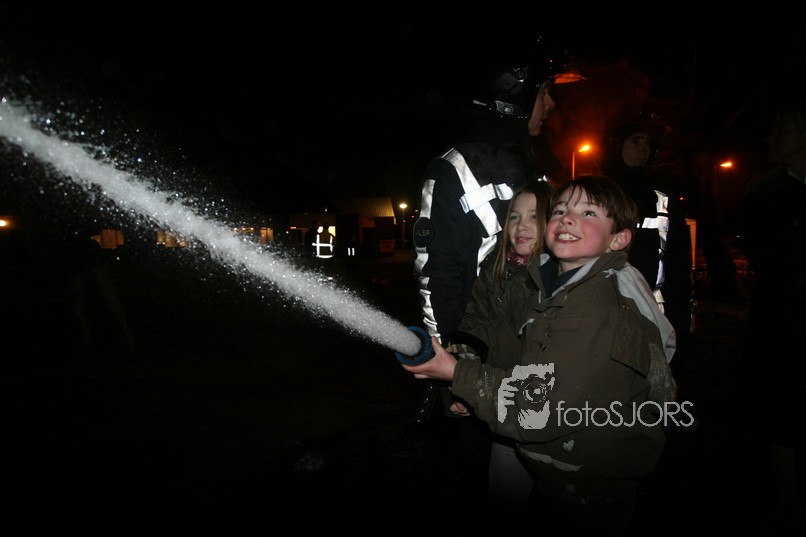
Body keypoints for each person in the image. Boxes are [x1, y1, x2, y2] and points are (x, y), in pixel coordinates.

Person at [403, 175, 677, 535]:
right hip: (548, 454)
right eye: (561, 211)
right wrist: (463, 368)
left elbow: (537, 409)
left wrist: (458, 375)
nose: (568, 219)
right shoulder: (552, 283)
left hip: (581, 480)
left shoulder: (590, 308)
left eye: (588, 212)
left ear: (619, 238)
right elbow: (483, 327)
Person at [409, 37, 584, 517]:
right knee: (492, 490)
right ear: (516, 94)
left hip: (545, 361)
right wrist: (453, 369)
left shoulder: (538, 164)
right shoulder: (455, 170)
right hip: (485, 366)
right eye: (546, 92)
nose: (552, 104)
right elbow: (437, 279)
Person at [450, 180, 554, 532]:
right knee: (504, 507)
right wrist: (465, 380)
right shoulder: (495, 269)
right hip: (505, 410)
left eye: (534, 216)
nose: (521, 226)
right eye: (514, 217)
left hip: (553, 418)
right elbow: (475, 326)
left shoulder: (560, 276)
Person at [740, 101, 805, 533]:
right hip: (781, 320)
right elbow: (763, 256)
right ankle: (786, 502)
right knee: (782, 408)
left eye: (780, 130)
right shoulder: (763, 191)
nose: (770, 138)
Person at [599, 110, 694, 374]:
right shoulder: (593, 196)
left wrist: (682, 325)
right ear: (614, 146)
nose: (644, 149)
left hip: (655, 319)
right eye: (635, 141)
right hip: (604, 317)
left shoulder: (663, 200)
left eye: (647, 143)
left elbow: (678, 265)